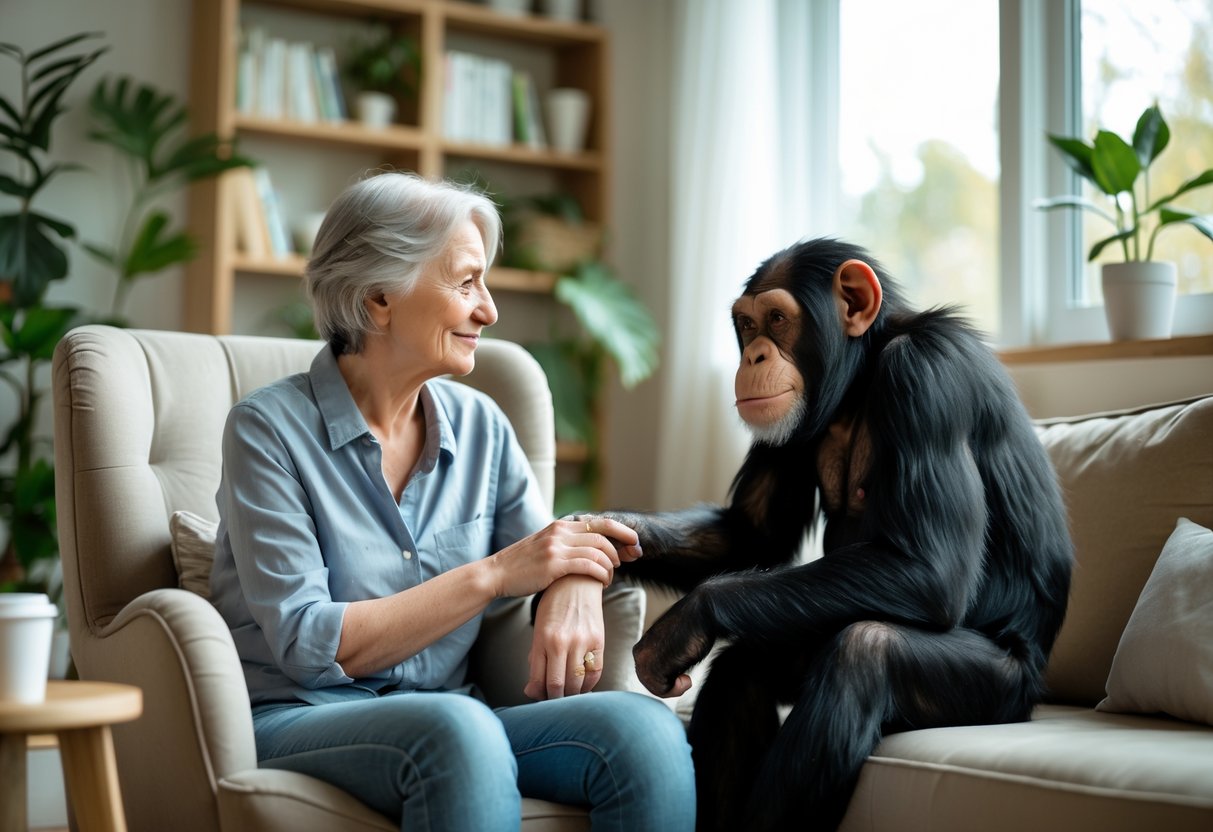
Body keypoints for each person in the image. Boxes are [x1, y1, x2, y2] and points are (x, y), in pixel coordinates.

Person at [208, 172, 696, 831]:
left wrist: (575, 578)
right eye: (466, 282)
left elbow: (545, 549)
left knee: (643, 731)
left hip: (456, 719)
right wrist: (495, 573)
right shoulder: (265, 431)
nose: (488, 310)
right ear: (379, 300)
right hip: (304, 718)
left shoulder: (482, 426)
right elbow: (306, 642)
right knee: (458, 728)